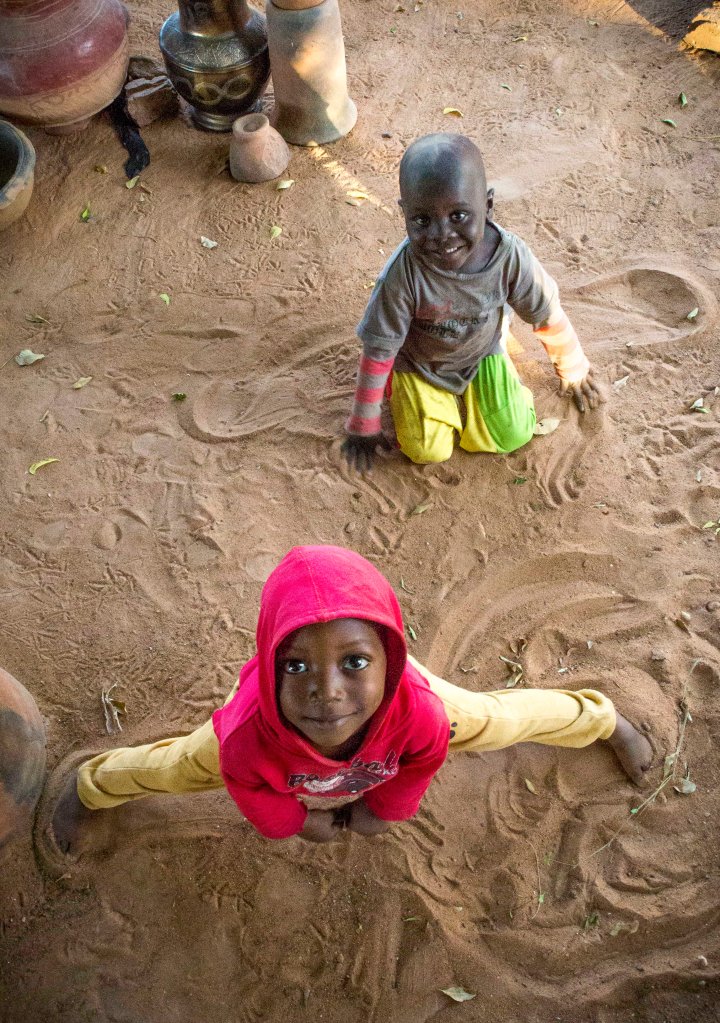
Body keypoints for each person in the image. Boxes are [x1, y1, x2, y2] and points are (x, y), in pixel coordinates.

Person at [51, 546, 651, 853]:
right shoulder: (244, 741)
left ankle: (599, 719)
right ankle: (91, 785)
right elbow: (249, 788)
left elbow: (421, 760)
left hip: (398, 707)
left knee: (496, 718)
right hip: (265, 737)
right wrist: (296, 822)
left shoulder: (419, 710)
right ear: (269, 662)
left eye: (354, 661)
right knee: (176, 767)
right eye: (296, 665)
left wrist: (385, 807)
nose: (326, 691)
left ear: (390, 657)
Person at [341, 133, 601, 472]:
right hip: (421, 364)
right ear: (404, 213)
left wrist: (574, 369)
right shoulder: (402, 275)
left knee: (514, 433)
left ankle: (500, 342)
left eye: (459, 215)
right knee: (426, 450)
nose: (441, 234)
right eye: (421, 220)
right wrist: (365, 422)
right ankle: (401, 388)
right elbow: (379, 350)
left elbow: (546, 314)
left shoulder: (510, 258)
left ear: (488, 205)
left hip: (481, 352)